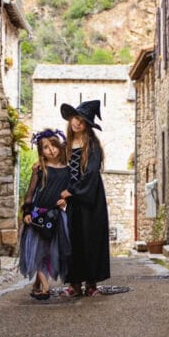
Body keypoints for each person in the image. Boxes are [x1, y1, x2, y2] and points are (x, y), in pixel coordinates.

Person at [58, 100, 111, 297]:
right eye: (75, 118)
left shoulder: (93, 145)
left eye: (82, 120)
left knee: (91, 238)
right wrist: (42, 165)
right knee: (72, 239)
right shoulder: (66, 146)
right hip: (73, 201)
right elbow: (59, 168)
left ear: (87, 124)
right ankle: (74, 283)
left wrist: (72, 190)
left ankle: (91, 283)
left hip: (90, 198)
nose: (77, 123)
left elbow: (91, 173)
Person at [18, 129, 72, 300]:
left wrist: (66, 201)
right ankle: (46, 288)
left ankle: (36, 286)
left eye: (54, 146)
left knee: (49, 251)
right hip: (38, 215)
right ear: (41, 152)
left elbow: (69, 193)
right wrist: (27, 211)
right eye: (46, 148)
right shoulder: (40, 169)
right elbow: (31, 191)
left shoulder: (67, 170)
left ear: (60, 146)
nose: (51, 150)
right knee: (39, 251)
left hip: (56, 216)